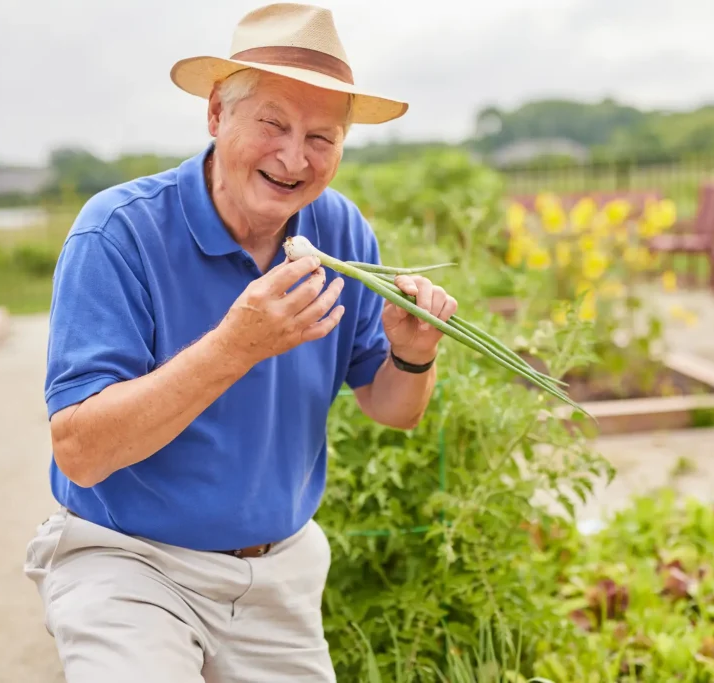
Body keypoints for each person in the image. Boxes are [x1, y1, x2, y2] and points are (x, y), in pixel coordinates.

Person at [23, 4, 455, 682]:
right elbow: (81, 451)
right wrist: (236, 345)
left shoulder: (340, 231)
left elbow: (393, 406)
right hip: (130, 561)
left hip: (276, 573)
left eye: (321, 136)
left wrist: (414, 351)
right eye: (273, 124)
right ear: (217, 113)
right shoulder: (118, 233)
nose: (294, 157)